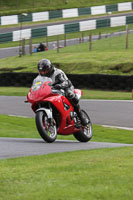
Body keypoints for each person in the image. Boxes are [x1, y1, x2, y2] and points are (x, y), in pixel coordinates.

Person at [36, 58, 88, 126]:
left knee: (69, 94)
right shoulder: (40, 77)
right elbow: (37, 85)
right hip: (52, 90)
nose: (44, 73)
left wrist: (59, 85)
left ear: (50, 67)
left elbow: (65, 82)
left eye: (46, 71)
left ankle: (81, 116)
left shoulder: (57, 72)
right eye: (42, 71)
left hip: (65, 88)